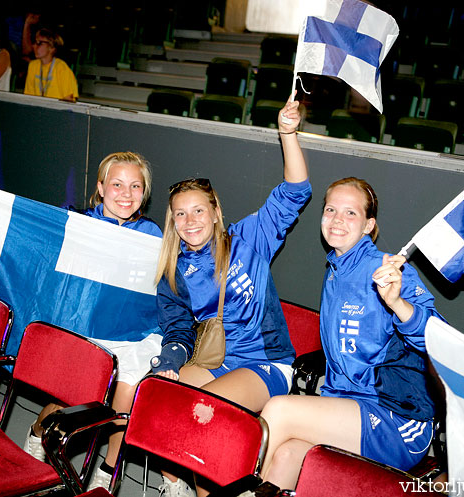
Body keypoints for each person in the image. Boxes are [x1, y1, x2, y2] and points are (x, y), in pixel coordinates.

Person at [150, 94, 310, 497]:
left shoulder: (248, 239)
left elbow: (296, 190)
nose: (190, 222)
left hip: (265, 364)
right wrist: (169, 362)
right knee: (162, 403)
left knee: (203, 414)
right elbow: (177, 331)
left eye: (198, 211)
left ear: (216, 211)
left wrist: (286, 134)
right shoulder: (174, 270)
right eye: (181, 214)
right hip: (217, 359)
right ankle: (178, 486)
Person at [259, 176, 444, 490]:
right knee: (286, 457)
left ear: (369, 225)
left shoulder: (388, 270)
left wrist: (398, 303)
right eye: (330, 210)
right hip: (347, 406)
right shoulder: (336, 271)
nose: (336, 220)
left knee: (279, 409)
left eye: (350, 213)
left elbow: (437, 340)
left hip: (397, 419)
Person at [21, 152, 163, 491]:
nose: (126, 194)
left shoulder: (152, 234)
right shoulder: (79, 225)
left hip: (135, 331)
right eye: (116, 184)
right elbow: (30, 233)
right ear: (100, 188)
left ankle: (107, 472)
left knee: (130, 385)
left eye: (135, 186)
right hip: (87, 328)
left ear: (144, 193)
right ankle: (36, 437)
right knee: (73, 391)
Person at [23, 27, 77, 101]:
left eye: (39, 43)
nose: (34, 46)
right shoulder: (33, 65)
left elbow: (69, 100)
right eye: (35, 42)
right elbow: (28, 96)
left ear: (52, 48)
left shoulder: (61, 68)